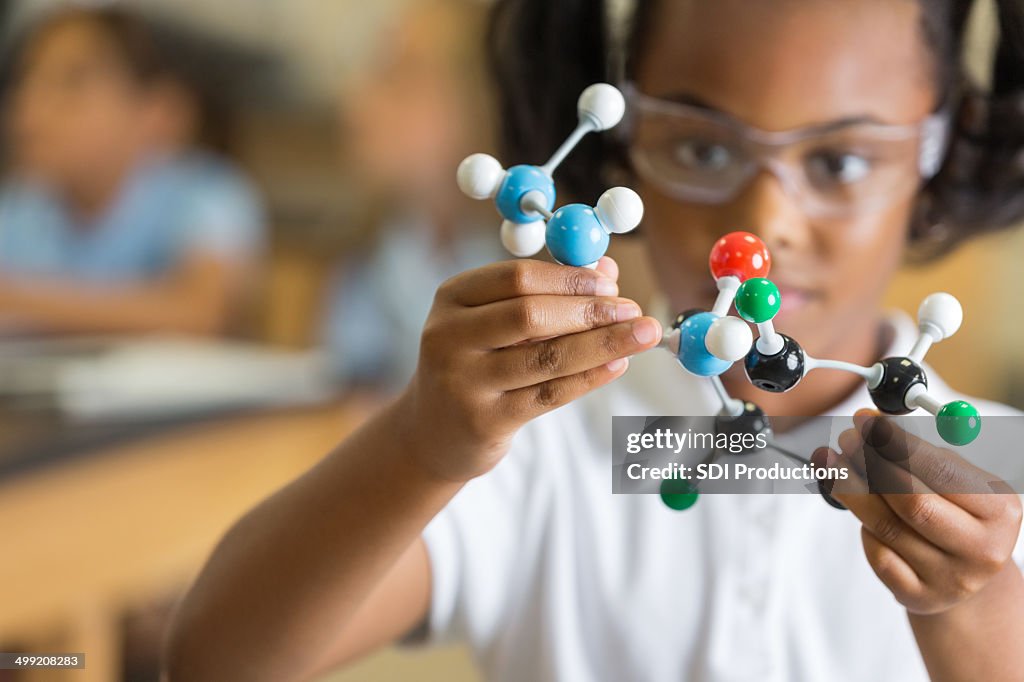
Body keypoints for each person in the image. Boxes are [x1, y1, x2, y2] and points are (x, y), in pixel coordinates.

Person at [163, 1, 1024, 681]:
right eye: (699, 145)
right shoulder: (537, 445)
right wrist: (420, 448)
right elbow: (214, 659)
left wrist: (969, 604)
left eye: (838, 162)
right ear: (622, 147)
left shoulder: (995, 472)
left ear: (939, 155)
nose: (762, 227)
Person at [0, 6, 265, 336]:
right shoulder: (19, 206)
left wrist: (20, 301)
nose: (30, 108)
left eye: (72, 83)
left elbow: (201, 312)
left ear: (160, 112)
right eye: (26, 82)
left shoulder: (206, 192)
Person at [320, 0, 504, 390]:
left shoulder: (540, 270)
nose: (356, 101)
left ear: (479, 102)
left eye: (397, 77)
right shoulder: (370, 257)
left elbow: (644, 444)